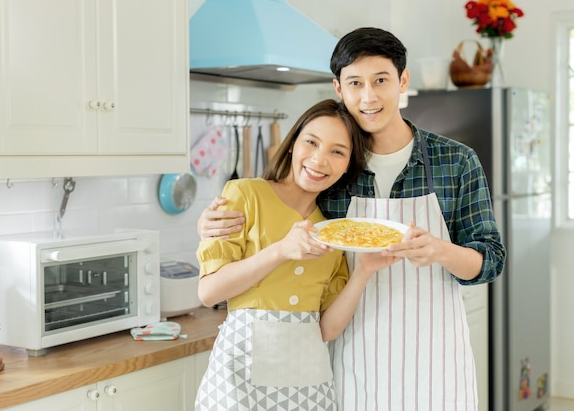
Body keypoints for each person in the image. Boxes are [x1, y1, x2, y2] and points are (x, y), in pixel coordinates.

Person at [196, 27, 506, 411]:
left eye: (381, 80)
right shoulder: (333, 171)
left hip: (434, 357)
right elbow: (279, 205)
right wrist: (210, 223)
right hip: (353, 355)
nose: (369, 96)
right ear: (339, 88)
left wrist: (441, 251)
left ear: (402, 81)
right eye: (355, 83)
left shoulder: (455, 161)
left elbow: (490, 260)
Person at [194, 99, 400, 411]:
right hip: (239, 380)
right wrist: (280, 250)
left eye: (337, 151)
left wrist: (364, 272)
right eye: (311, 142)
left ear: (348, 165)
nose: (319, 160)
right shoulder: (244, 195)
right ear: (293, 144)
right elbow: (209, 293)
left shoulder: (331, 229)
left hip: (307, 386)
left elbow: (327, 329)